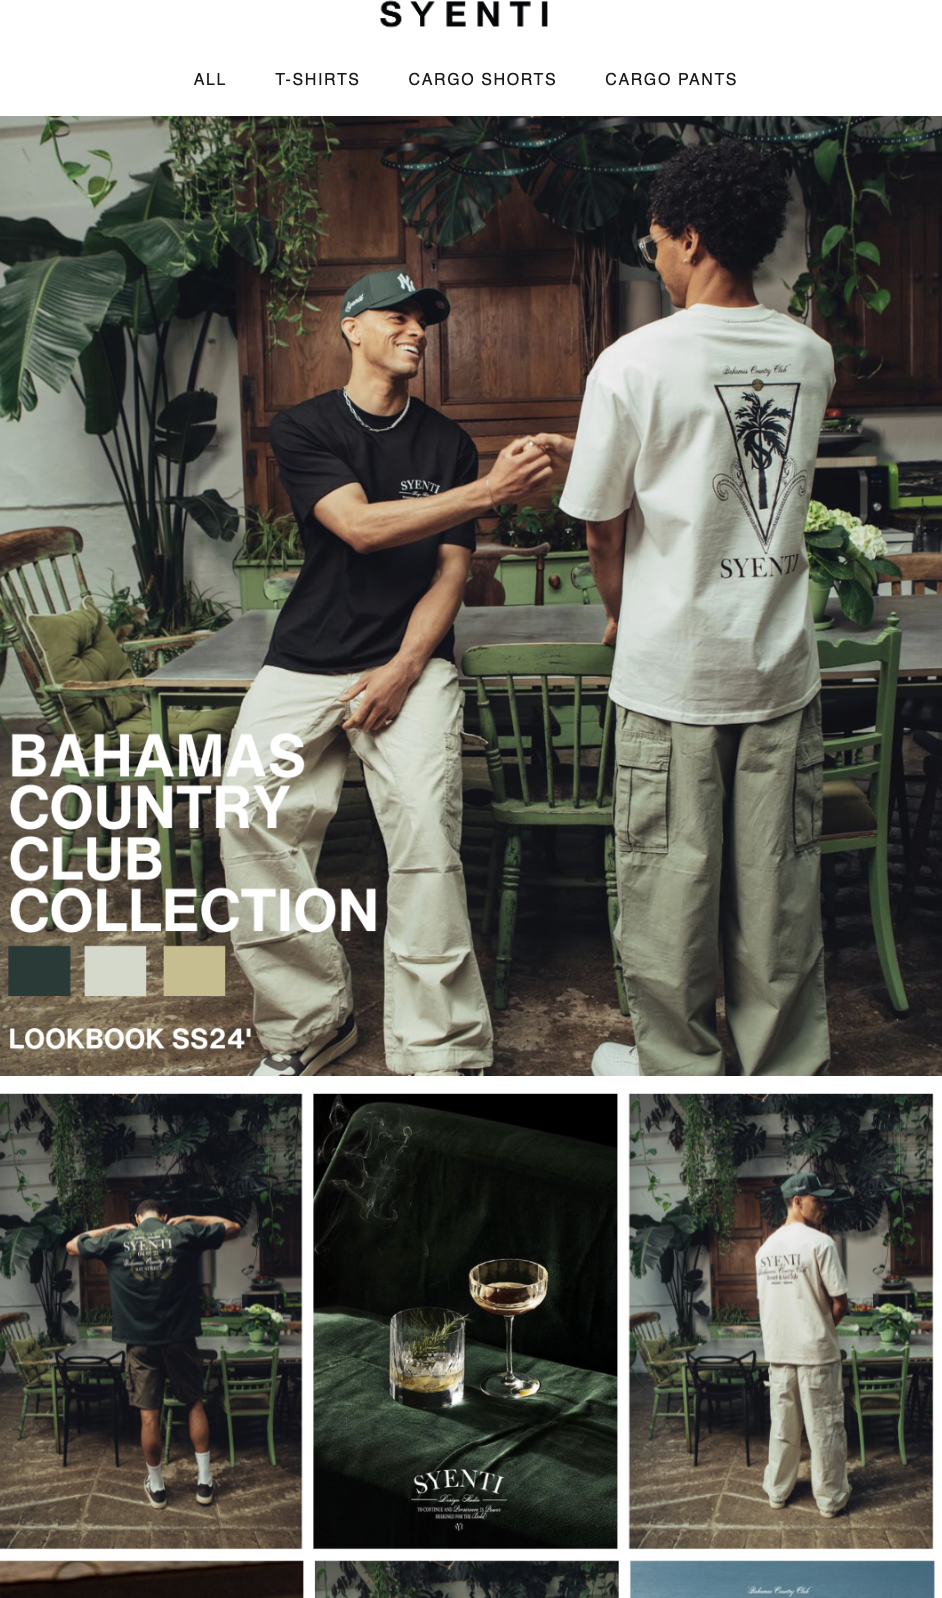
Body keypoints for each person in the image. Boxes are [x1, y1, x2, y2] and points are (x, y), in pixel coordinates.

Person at [536, 139, 835, 1077]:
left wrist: (621, 613)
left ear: (693, 239)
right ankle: (779, 1063)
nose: (654, 254)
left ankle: (676, 1065)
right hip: (779, 666)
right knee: (778, 887)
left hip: (671, 673)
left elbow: (599, 526)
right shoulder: (809, 353)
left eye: (658, 239)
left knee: (668, 888)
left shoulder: (633, 362)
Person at [223, 269, 552, 1077]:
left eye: (423, 321)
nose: (415, 331)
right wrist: (486, 491)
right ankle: (309, 1022)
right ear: (352, 329)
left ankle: (439, 1047)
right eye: (397, 317)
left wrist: (406, 669)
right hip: (305, 659)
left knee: (424, 832)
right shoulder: (302, 427)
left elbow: (449, 576)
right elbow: (361, 528)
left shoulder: (444, 442)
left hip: (411, 658)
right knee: (247, 812)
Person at [68, 1197, 241, 1509]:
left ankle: (158, 1488)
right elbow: (232, 1227)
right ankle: (204, 1483)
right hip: (180, 1339)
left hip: (140, 1342)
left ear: (136, 1218)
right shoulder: (184, 1233)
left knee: (150, 1415)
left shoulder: (116, 1239)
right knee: (194, 1404)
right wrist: (191, 1215)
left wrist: (112, 1227)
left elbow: (71, 1246)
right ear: (165, 1215)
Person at [754, 1171, 850, 1518]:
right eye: (816, 1199)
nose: (823, 1205)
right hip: (816, 1355)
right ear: (797, 1201)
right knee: (825, 1430)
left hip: (779, 1354)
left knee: (782, 1428)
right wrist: (820, 1326)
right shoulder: (820, 1243)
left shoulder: (764, 1251)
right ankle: (830, 1499)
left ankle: (777, 1492)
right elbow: (841, 1304)